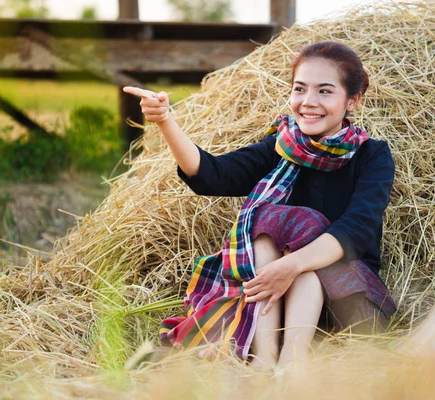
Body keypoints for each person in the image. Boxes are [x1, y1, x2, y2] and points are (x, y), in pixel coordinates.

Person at [123, 41, 397, 370]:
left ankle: (287, 362)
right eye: (300, 89)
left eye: (325, 91)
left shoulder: (373, 155)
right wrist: (166, 120)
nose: (308, 102)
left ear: (352, 99)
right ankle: (265, 358)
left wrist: (291, 266)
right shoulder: (280, 146)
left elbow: (355, 230)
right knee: (273, 225)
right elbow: (213, 175)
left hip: (347, 304)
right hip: (274, 302)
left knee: (296, 233)